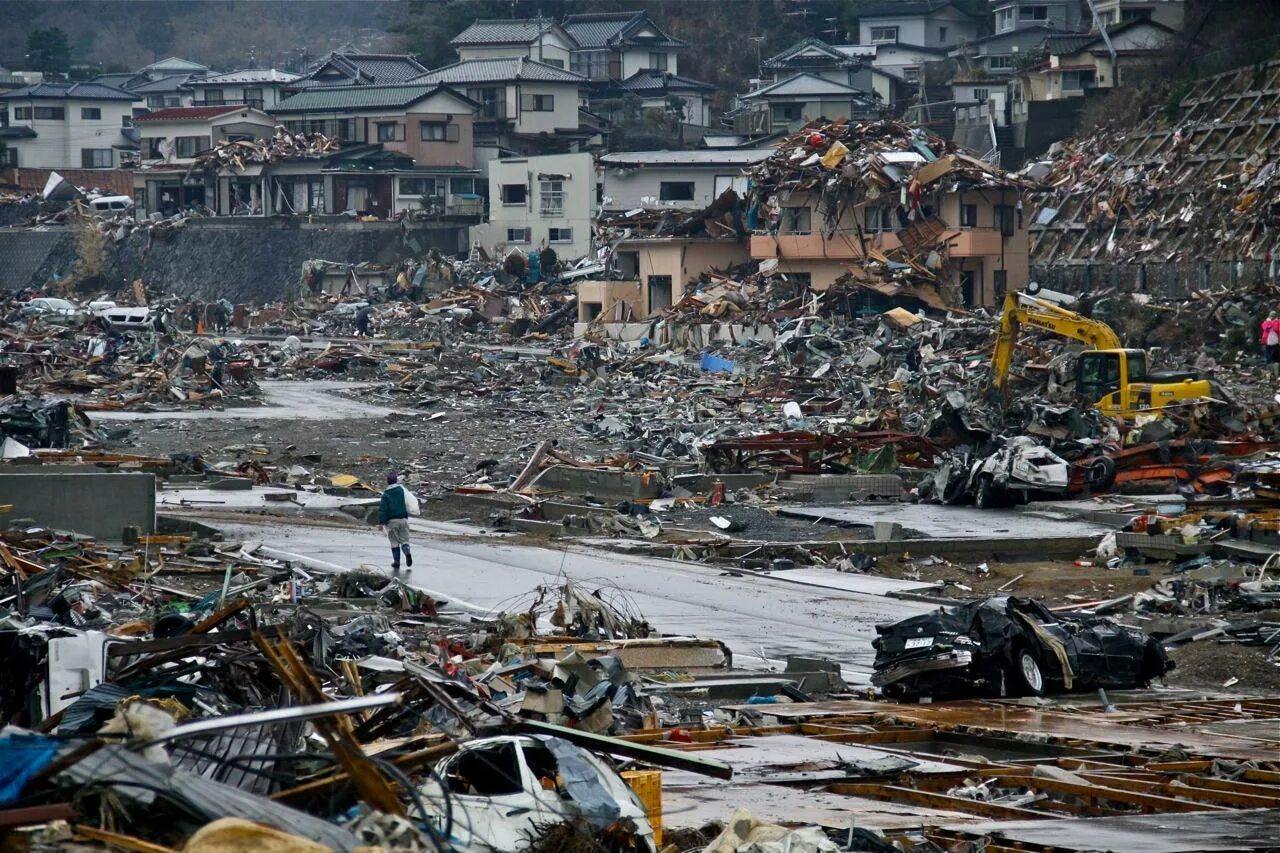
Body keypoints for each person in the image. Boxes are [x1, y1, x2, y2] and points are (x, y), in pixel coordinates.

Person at [378, 471, 412, 572]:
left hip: (392, 521)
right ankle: (407, 553)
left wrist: (382, 522)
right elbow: (408, 502)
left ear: (388, 481)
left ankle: (396, 561)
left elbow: (383, 510)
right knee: (404, 540)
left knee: (394, 542)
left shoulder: (386, 495)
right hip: (403, 519)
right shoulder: (401, 490)